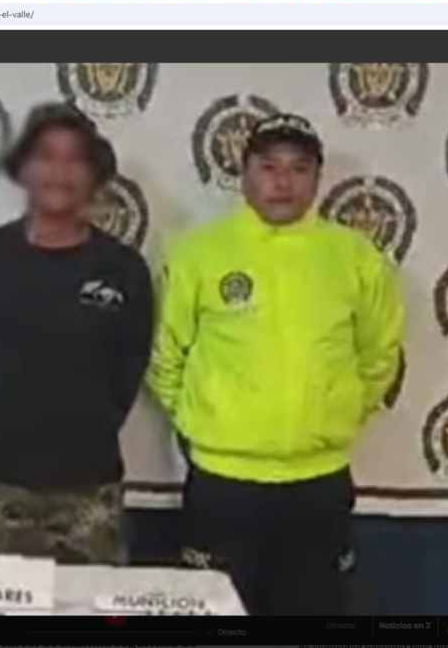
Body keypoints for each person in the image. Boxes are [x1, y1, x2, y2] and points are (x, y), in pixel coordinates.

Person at [147, 113, 406, 615]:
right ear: (244, 173)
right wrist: (209, 418)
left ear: (318, 177)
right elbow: (165, 353)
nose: (283, 182)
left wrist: (338, 410)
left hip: (319, 482)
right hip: (223, 482)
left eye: (299, 168)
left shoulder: (355, 257)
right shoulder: (199, 253)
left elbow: (380, 354)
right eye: (268, 167)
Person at [0, 103, 154, 565]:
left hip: (90, 488)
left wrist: (87, 429)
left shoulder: (123, 269)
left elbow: (128, 370)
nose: (60, 172)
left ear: (95, 175)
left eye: (75, 159)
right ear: (22, 169)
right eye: (46, 156)